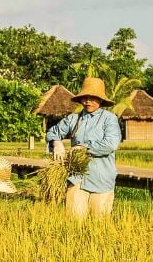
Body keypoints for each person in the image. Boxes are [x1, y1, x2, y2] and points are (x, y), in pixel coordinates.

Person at [44, 76, 121, 220]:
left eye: (92, 98)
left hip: (101, 179)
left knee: (99, 223)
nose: (88, 101)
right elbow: (52, 132)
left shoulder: (109, 119)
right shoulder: (74, 119)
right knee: (74, 221)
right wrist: (56, 143)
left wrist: (83, 148)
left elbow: (111, 144)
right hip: (77, 178)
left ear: (101, 100)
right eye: (85, 98)